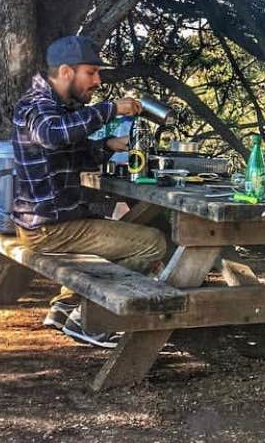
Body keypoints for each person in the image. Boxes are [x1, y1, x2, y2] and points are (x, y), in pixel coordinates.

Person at [11, 35, 167, 348]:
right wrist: (110, 110)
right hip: (49, 228)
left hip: (52, 221)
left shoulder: (59, 106)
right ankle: (91, 318)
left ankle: (65, 307)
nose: (97, 80)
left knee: (117, 232)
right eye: (91, 72)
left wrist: (108, 146)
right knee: (153, 243)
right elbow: (52, 134)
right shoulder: (37, 106)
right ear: (66, 71)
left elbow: (72, 152)